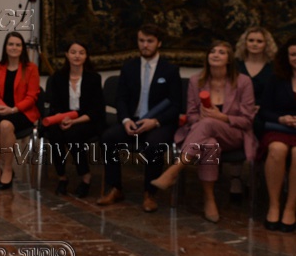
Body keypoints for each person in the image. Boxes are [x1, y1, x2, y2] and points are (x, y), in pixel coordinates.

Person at [150, 42, 257, 223]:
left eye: (221, 52)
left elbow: (247, 120)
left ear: (229, 59)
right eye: (212, 51)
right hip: (203, 136)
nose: (215, 54)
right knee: (209, 144)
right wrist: (199, 118)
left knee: (208, 123)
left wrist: (221, 117)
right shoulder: (196, 80)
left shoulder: (243, 81)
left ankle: (175, 169)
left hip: (234, 135)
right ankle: (209, 198)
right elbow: (190, 115)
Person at [97, 24, 181, 212]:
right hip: (132, 120)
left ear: (159, 43)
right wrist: (126, 120)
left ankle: (150, 193)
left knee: (154, 145)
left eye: (149, 41)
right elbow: (121, 99)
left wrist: (155, 122)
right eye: (141, 41)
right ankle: (115, 188)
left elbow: (176, 105)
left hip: (158, 123)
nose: (145, 45)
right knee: (108, 138)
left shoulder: (170, 70)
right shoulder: (129, 67)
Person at [44, 41, 105, 198]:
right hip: (63, 118)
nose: (77, 56)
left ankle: (85, 176)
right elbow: (55, 105)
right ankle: (62, 177)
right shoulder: (57, 77)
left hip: (86, 120)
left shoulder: (94, 78)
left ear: (86, 56)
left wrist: (74, 121)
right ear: (67, 55)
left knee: (72, 134)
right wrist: (62, 119)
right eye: (73, 52)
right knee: (55, 134)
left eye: (81, 52)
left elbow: (96, 110)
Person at [0, 32, 41, 189]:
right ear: (5, 47)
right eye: (11, 44)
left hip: (21, 111)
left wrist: (13, 109)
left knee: (6, 125)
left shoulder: (31, 68)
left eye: (18, 45)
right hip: (0, 108)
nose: (14, 47)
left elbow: (32, 97)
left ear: (22, 48)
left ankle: (8, 169)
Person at [230, 26, 276, 199]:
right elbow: (227, 90)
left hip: (263, 112)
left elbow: (277, 94)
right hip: (237, 110)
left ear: (266, 44)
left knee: (258, 125)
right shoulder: (235, 65)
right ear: (245, 43)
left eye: (259, 41)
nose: (255, 44)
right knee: (237, 128)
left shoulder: (274, 67)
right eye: (251, 40)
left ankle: (254, 174)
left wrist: (260, 106)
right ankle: (235, 178)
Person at [256, 37, 296, 232]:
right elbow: (263, 111)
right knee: (277, 150)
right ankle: (274, 205)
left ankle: (290, 208)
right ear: (286, 56)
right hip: (278, 129)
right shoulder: (276, 78)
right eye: (293, 54)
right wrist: (281, 119)